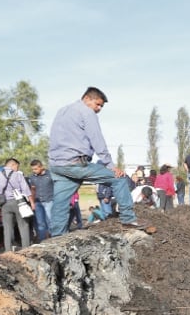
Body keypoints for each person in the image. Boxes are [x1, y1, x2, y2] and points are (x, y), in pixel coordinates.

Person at [47, 87, 139, 236]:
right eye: (97, 104)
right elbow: (97, 139)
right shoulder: (86, 112)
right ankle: (128, 220)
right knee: (119, 179)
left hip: (57, 165)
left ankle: (56, 238)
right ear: (87, 99)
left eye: (101, 106)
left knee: (60, 204)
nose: (99, 109)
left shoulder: (62, 111)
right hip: (75, 164)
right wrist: (110, 165)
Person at [0, 158, 35, 253]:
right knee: (23, 225)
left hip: (4, 204)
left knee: (7, 228)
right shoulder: (18, 175)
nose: (17, 168)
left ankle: (8, 250)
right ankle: (26, 248)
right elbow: (26, 190)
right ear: (13, 165)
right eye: (17, 166)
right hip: (19, 203)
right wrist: (32, 203)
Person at [27, 159, 54, 239]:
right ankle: (42, 240)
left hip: (49, 201)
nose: (34, 171)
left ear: (41, 167)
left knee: (50, 221)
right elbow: (32, 190)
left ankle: (53, 238)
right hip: (38, 202)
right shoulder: (32, 177)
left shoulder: (51, 175)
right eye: (32, 169)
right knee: (40, 222)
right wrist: (32, 203)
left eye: (36, 169)